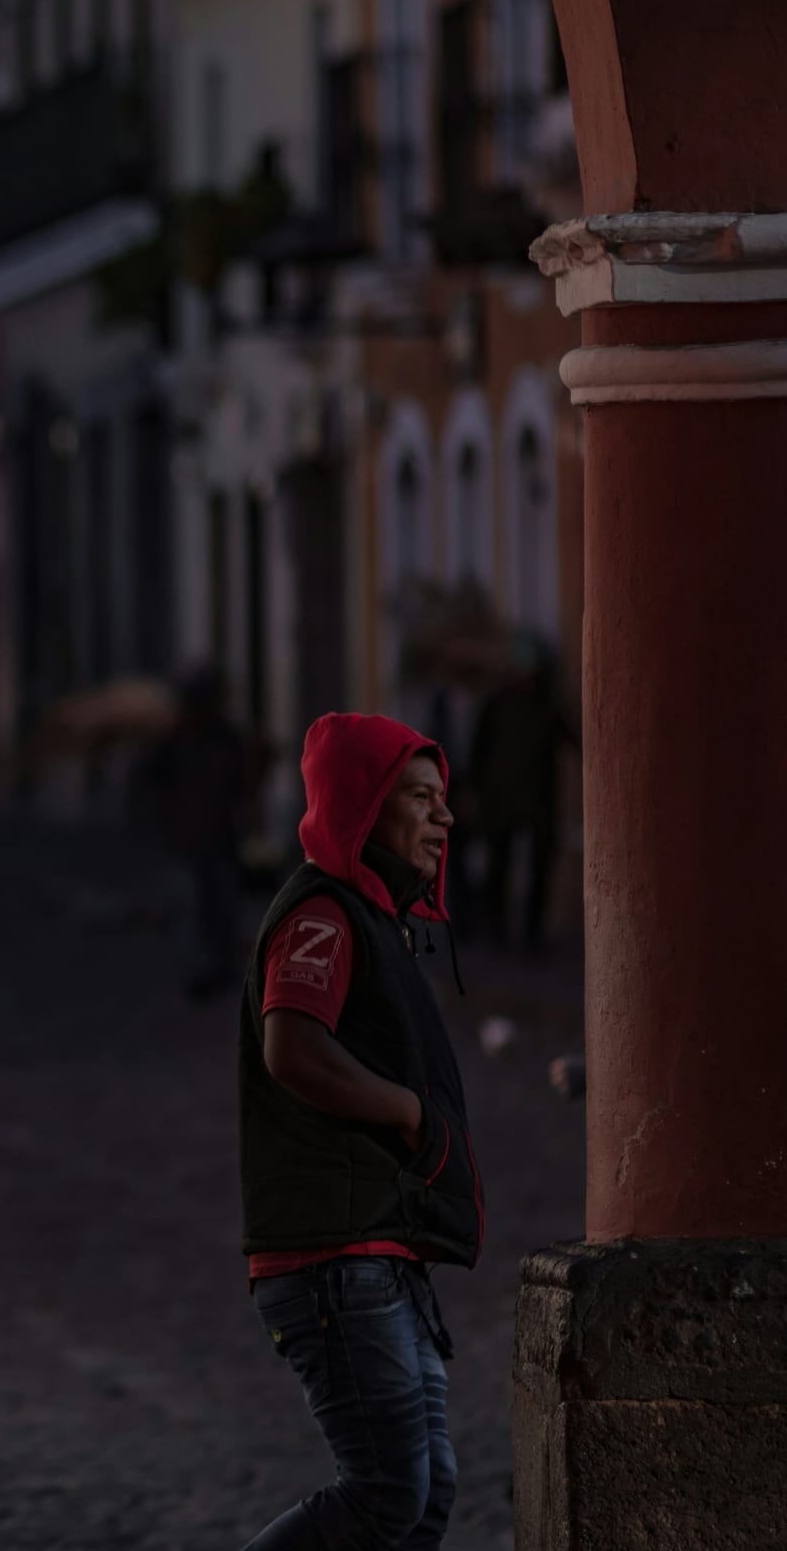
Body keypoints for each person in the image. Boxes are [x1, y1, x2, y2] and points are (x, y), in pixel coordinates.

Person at [238, 713, 485, 1551]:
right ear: (363, 807)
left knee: (427, 1491)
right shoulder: (324, 915)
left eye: (442, 799)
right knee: (387, 1488)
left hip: (380, 1250)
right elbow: (293, 1045)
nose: (443, 819)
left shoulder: (374, 916)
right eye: (420, 798)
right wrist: (412, 1115)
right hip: (333, 1259)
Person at [141, 669, 252, 998]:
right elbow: (151, 783)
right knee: (192, 907)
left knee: (221, 906)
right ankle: (199, 969)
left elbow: (242, 785)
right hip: (187, 839)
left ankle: (220, 966)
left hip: (219, 837)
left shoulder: (227, 739)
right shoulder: (173, 743)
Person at [465, 643, 575, 951]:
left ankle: (532, 932)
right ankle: (497, 930)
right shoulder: (498, 704)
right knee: (498, 864)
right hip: (500, 799)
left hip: (539, 800)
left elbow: (573, 739)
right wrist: (474, 792)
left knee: (540, 865)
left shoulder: (547, 705)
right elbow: (479, 749)